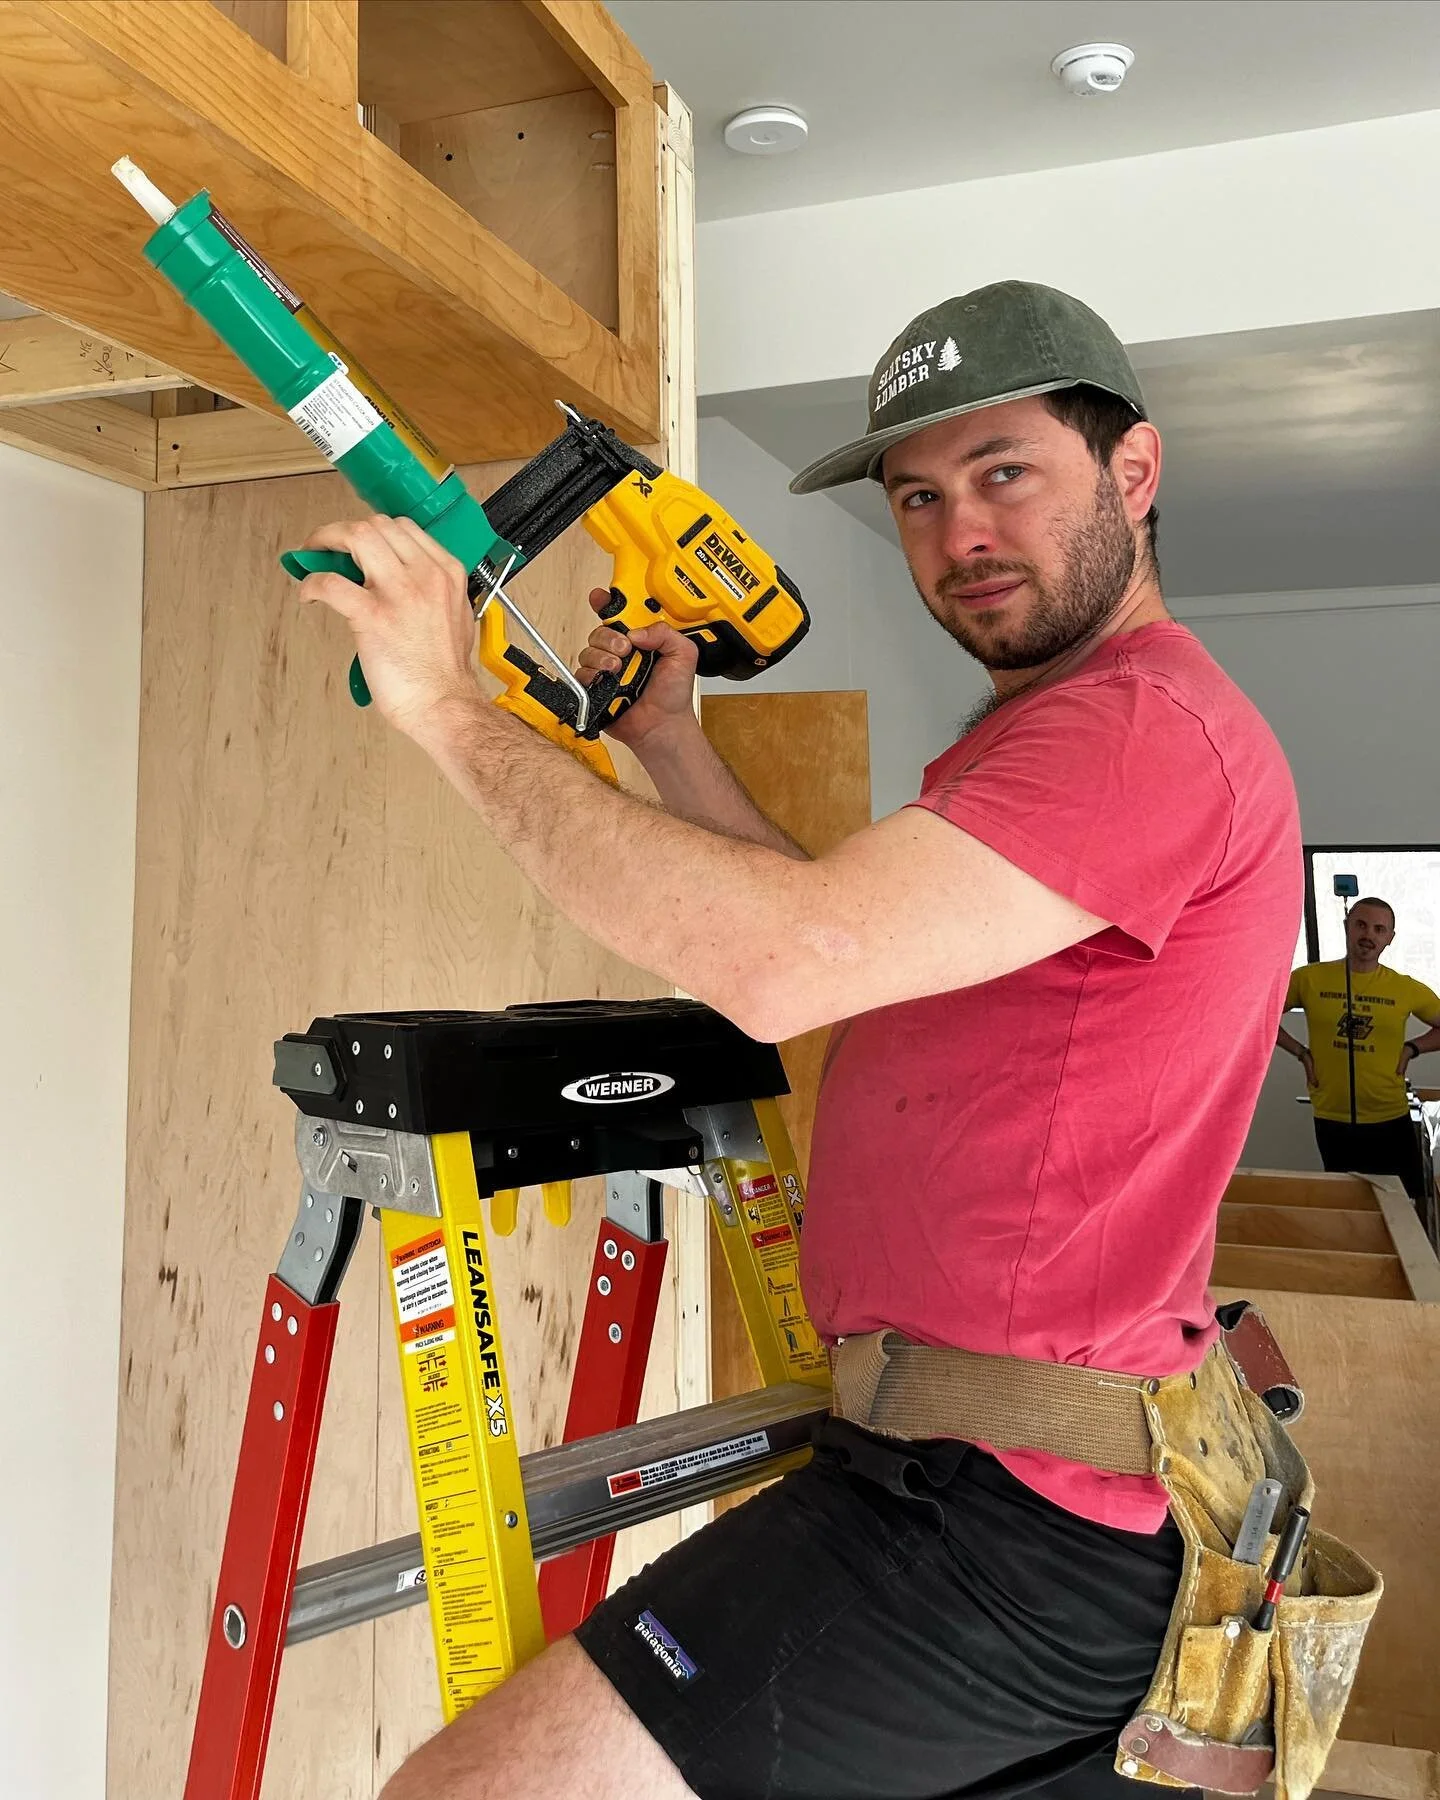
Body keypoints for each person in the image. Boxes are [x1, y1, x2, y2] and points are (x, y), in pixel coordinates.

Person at [295, 280, 1301, 1800]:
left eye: (1005, 473)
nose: (960, 532)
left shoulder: (1140, 728)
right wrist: (668, 743)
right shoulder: (1050, 735)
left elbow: (783, 960)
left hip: (996, 1527)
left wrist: (447, 707)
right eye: (919, 495)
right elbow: (856, 960)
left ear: (1136, 474)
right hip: (1013, 1498)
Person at [1277, 897, 1440, 1201]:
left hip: (1390, 1118)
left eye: (1379, 929)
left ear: (1389, 938)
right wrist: (1300, 1052)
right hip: (1331, 1117)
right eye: (1361, 925)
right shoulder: (1308, 979)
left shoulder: (1404, 987)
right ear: (1347, 926)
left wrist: (1412, 1048)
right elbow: (1260, 1013)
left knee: (1407, 1204)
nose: (1369, 935)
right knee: (1348, 1205)